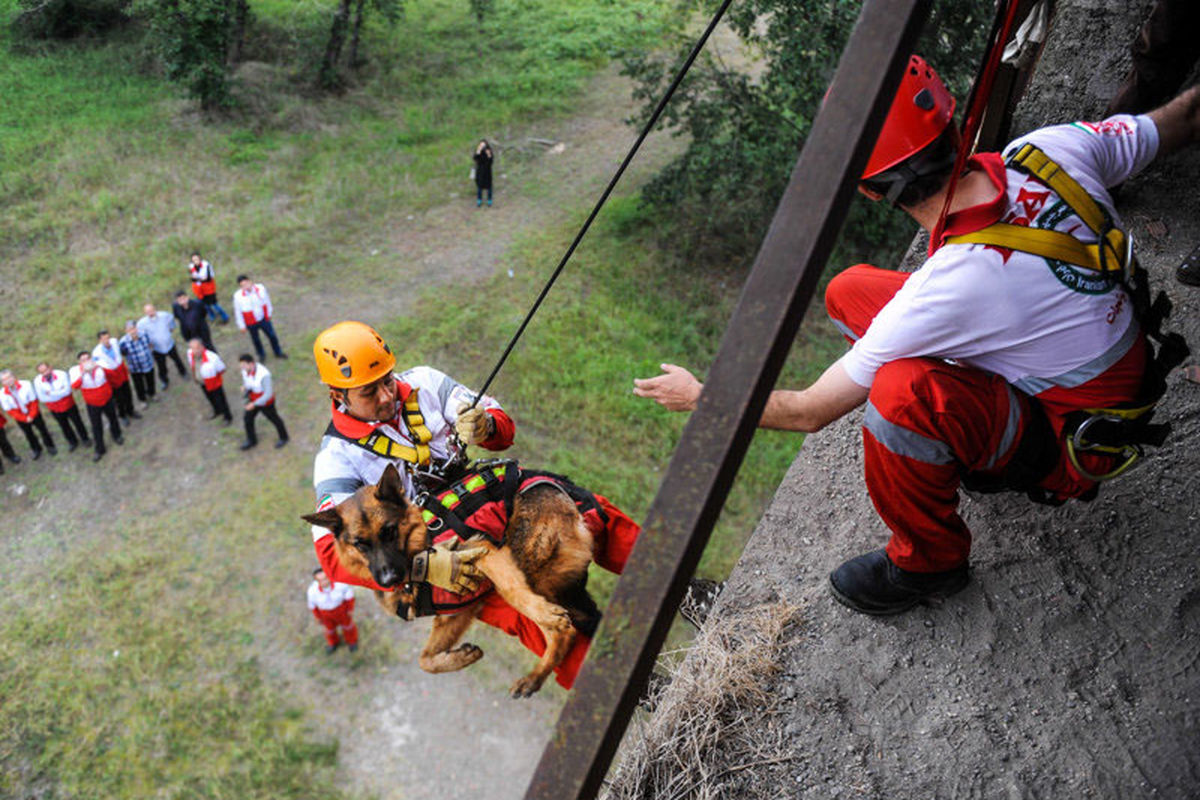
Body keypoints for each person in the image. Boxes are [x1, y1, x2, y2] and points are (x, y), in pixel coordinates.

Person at [634, 56, 1200, 616]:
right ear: (954, 125)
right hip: (1099, 363)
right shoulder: (1051, 150)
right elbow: (1185, 117)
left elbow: (806, 412)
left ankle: (930, 563)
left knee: (899, 397)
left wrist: (700, 399)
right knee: (851, 291)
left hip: (1078, 442)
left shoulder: (951, 285)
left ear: (871, 191)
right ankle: (962, 431)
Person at [307, 321, 641, 688]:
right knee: (525, 615)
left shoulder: (425, 383)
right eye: (369, 392)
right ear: (338, 395)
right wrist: (425, 568)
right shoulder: (336, 459)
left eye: (388, 380)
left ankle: (680, 582)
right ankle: (630, 690)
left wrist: (485, 427)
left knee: (590, 510)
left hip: (488, 496)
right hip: (448, 548)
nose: (387, 396)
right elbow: (331, 554)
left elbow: (503, 428)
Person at [69, 351, 123, 462]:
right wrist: (83, 373)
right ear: (79, 362)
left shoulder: (101, 364)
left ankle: (117, 435)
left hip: (106, 397)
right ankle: (99, 448)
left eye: (88, 358)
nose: (86, 361)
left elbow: (112, 375)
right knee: (96, 425)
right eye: (83, 360)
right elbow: (75, 386)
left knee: (113, 418)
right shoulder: (75, 371)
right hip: (92, 402)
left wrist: (100, 368)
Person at [34, 362, 91, 452]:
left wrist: (51, 394)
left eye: (46, 370)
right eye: (42, 372)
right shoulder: (37, 381)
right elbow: (42, 398)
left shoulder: (62, 374)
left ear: (50, 367)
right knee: (64, 425)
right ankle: (72, 442)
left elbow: (67, 391)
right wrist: (59, 392)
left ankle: (85, 438)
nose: (45, 373)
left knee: (77, 422)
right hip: (54, 408)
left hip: (68, 404)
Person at [0, 369, 56, 459]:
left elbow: (34, 401)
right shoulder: (2, 394)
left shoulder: (26, 384)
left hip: (33, 411)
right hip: (20, 416)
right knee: (28, 433)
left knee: (43, 429)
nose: (8, 380)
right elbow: (10, 410)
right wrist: (24, 419)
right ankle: (36, 449)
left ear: (14, 377)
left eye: (9, 377)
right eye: (5, 379)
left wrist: (31, 415)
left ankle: (50, 446)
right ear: (2, 382)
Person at [238, 354, 289, 450]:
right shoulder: (246, 371)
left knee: (274, 419)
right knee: (247, 419)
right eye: (241, 365)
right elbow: (248, 381)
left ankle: (284, 437)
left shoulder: (264, 375)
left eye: (244, 365)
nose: (242, 368)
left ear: (251, 364)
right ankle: (252, 440)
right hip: (253, 398)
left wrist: (254, 404)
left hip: (265, 402)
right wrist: (245, 387)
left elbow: (268, 394)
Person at [231, 276, 286, 360]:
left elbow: (267, 300)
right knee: (256, 339)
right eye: (242, 286)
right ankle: (261, 355)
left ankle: (278, 352)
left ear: (250, 282)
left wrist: (269, 312)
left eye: (246, 284)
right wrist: (241, 325)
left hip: (263, 318)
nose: (246, 287)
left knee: (272, 335)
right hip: (250, 321)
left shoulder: (260, 289)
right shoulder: (238, 296)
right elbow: (238, 312)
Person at [307, 568, 359, 654]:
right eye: (320, 580)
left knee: (348, 626)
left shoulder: (340, 584)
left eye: (325, 579)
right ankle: (333, 643)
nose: (324, 582)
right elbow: (313, 605)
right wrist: (317, 617)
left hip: (341, 609)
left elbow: (349, 596)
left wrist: (350, 609)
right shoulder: (312, 591)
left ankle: (352, 641)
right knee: (329, 630)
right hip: (325, 613)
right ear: (316, 581)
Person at [138, 303, 188, 391]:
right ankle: (165, 381)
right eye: (148, 312)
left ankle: (183, 372)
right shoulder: (142, 323)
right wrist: (148, 343)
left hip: (169, 344)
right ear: (145, 313)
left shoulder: (164, 315)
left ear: (155, 309)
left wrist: (170, 330)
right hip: (157, 349)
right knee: (161, 366)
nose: (150, 313)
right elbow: (141, 335)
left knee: (177, 359)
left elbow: (172, 321)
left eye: (151, 310)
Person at [92, 330, 140, 421]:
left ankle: (131, 410)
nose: (107, 340)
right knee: (118, 398)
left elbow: (120, 352)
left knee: (128, 393)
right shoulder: (96, 353)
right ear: (100, 340)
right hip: (111, 375)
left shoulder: (114, 342)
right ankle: (122, 415)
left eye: (108, 338)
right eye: (104, 339)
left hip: (121, 371)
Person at [187, 338, 232, 424]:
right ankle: (217, 410)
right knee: (210, 397)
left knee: (221, 400)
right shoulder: (190, 354)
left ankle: (227, 417)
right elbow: (192, 365)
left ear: (202, 347)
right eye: (192, 348)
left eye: (196, 348)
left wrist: (214, 377)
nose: (194, 351)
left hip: (214, 383)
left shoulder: (212, 357)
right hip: (202, 382)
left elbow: (221, 369)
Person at [119, 320, 157, 405]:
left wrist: (150, 355)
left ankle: (152, 394)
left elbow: (150, 344)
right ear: (126, 331)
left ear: (137, 328)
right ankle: (142, 400)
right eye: (130, 329)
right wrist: (127, 366)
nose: (133, 331)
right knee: (139, 385)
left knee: (150, 380)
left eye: (134, 328)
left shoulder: (144, 335)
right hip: (135, 368)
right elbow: (123, 355)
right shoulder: (123, 342)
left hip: (148, 363)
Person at [188, 252, 231, 324]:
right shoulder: (191, 266)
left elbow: (208, 278)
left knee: (214, 305)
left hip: (209, 289)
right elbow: (193, 279)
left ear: (200, 258)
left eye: (197, 259)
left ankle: (225, 316)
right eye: (194, 260)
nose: (195, 261)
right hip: (199, 290)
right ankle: (212, 317)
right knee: (205, 305)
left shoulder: (206, 265)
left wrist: (199, 279)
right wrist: (201, 279)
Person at [473, 140, 494, 207]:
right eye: (481, 145)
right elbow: (475, 158)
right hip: (480, 172)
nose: (482, 147)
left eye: (484, 145)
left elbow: (491, 161)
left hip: (487, 172)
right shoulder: (478, 152)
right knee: (479, 187)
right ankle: (479, 200)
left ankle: (489, 200)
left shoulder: (489, 151)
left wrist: (489, 154)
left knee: (489, 187)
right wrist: (478, 151)